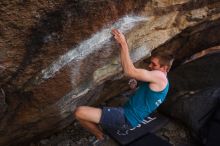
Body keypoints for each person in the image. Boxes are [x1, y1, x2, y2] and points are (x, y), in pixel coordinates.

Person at [74, 29, 174, 145]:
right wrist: (135, 87)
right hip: (129, 117)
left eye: (154, 64)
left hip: (125, 118)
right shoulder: (161, 82)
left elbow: (129, 71)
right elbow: (148, 98)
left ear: (164, 68)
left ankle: (101, 137)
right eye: (150, 63)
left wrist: (123, 43)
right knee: (95, 113)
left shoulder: (159, 77)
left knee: (79, 112)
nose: (150, 66)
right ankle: (102, 129)